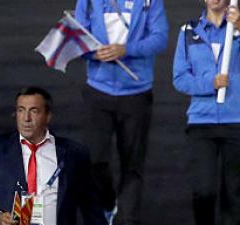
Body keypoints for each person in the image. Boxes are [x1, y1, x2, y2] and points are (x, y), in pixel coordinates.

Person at [172, 0, 240, 224]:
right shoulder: (188, 31)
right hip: (201, 122)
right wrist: (210, 84)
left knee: (233, 194)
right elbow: (180, 78)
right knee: (203, 190)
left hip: (238, 120)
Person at [73, 0, 168, 223]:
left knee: (132, 165)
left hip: (136, 94)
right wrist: (93, 54)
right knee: (94, 160)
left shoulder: (150, 2)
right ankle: (107, 203)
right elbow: (77, 37)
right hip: (98, 92)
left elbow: (159, 38)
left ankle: (129, 220)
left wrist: (126, 50)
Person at [0, 87, 108, 225]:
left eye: (34, 111)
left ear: (48, 116)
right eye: (21, 110)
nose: (26, 118)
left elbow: (91, 208)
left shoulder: (74, 154)